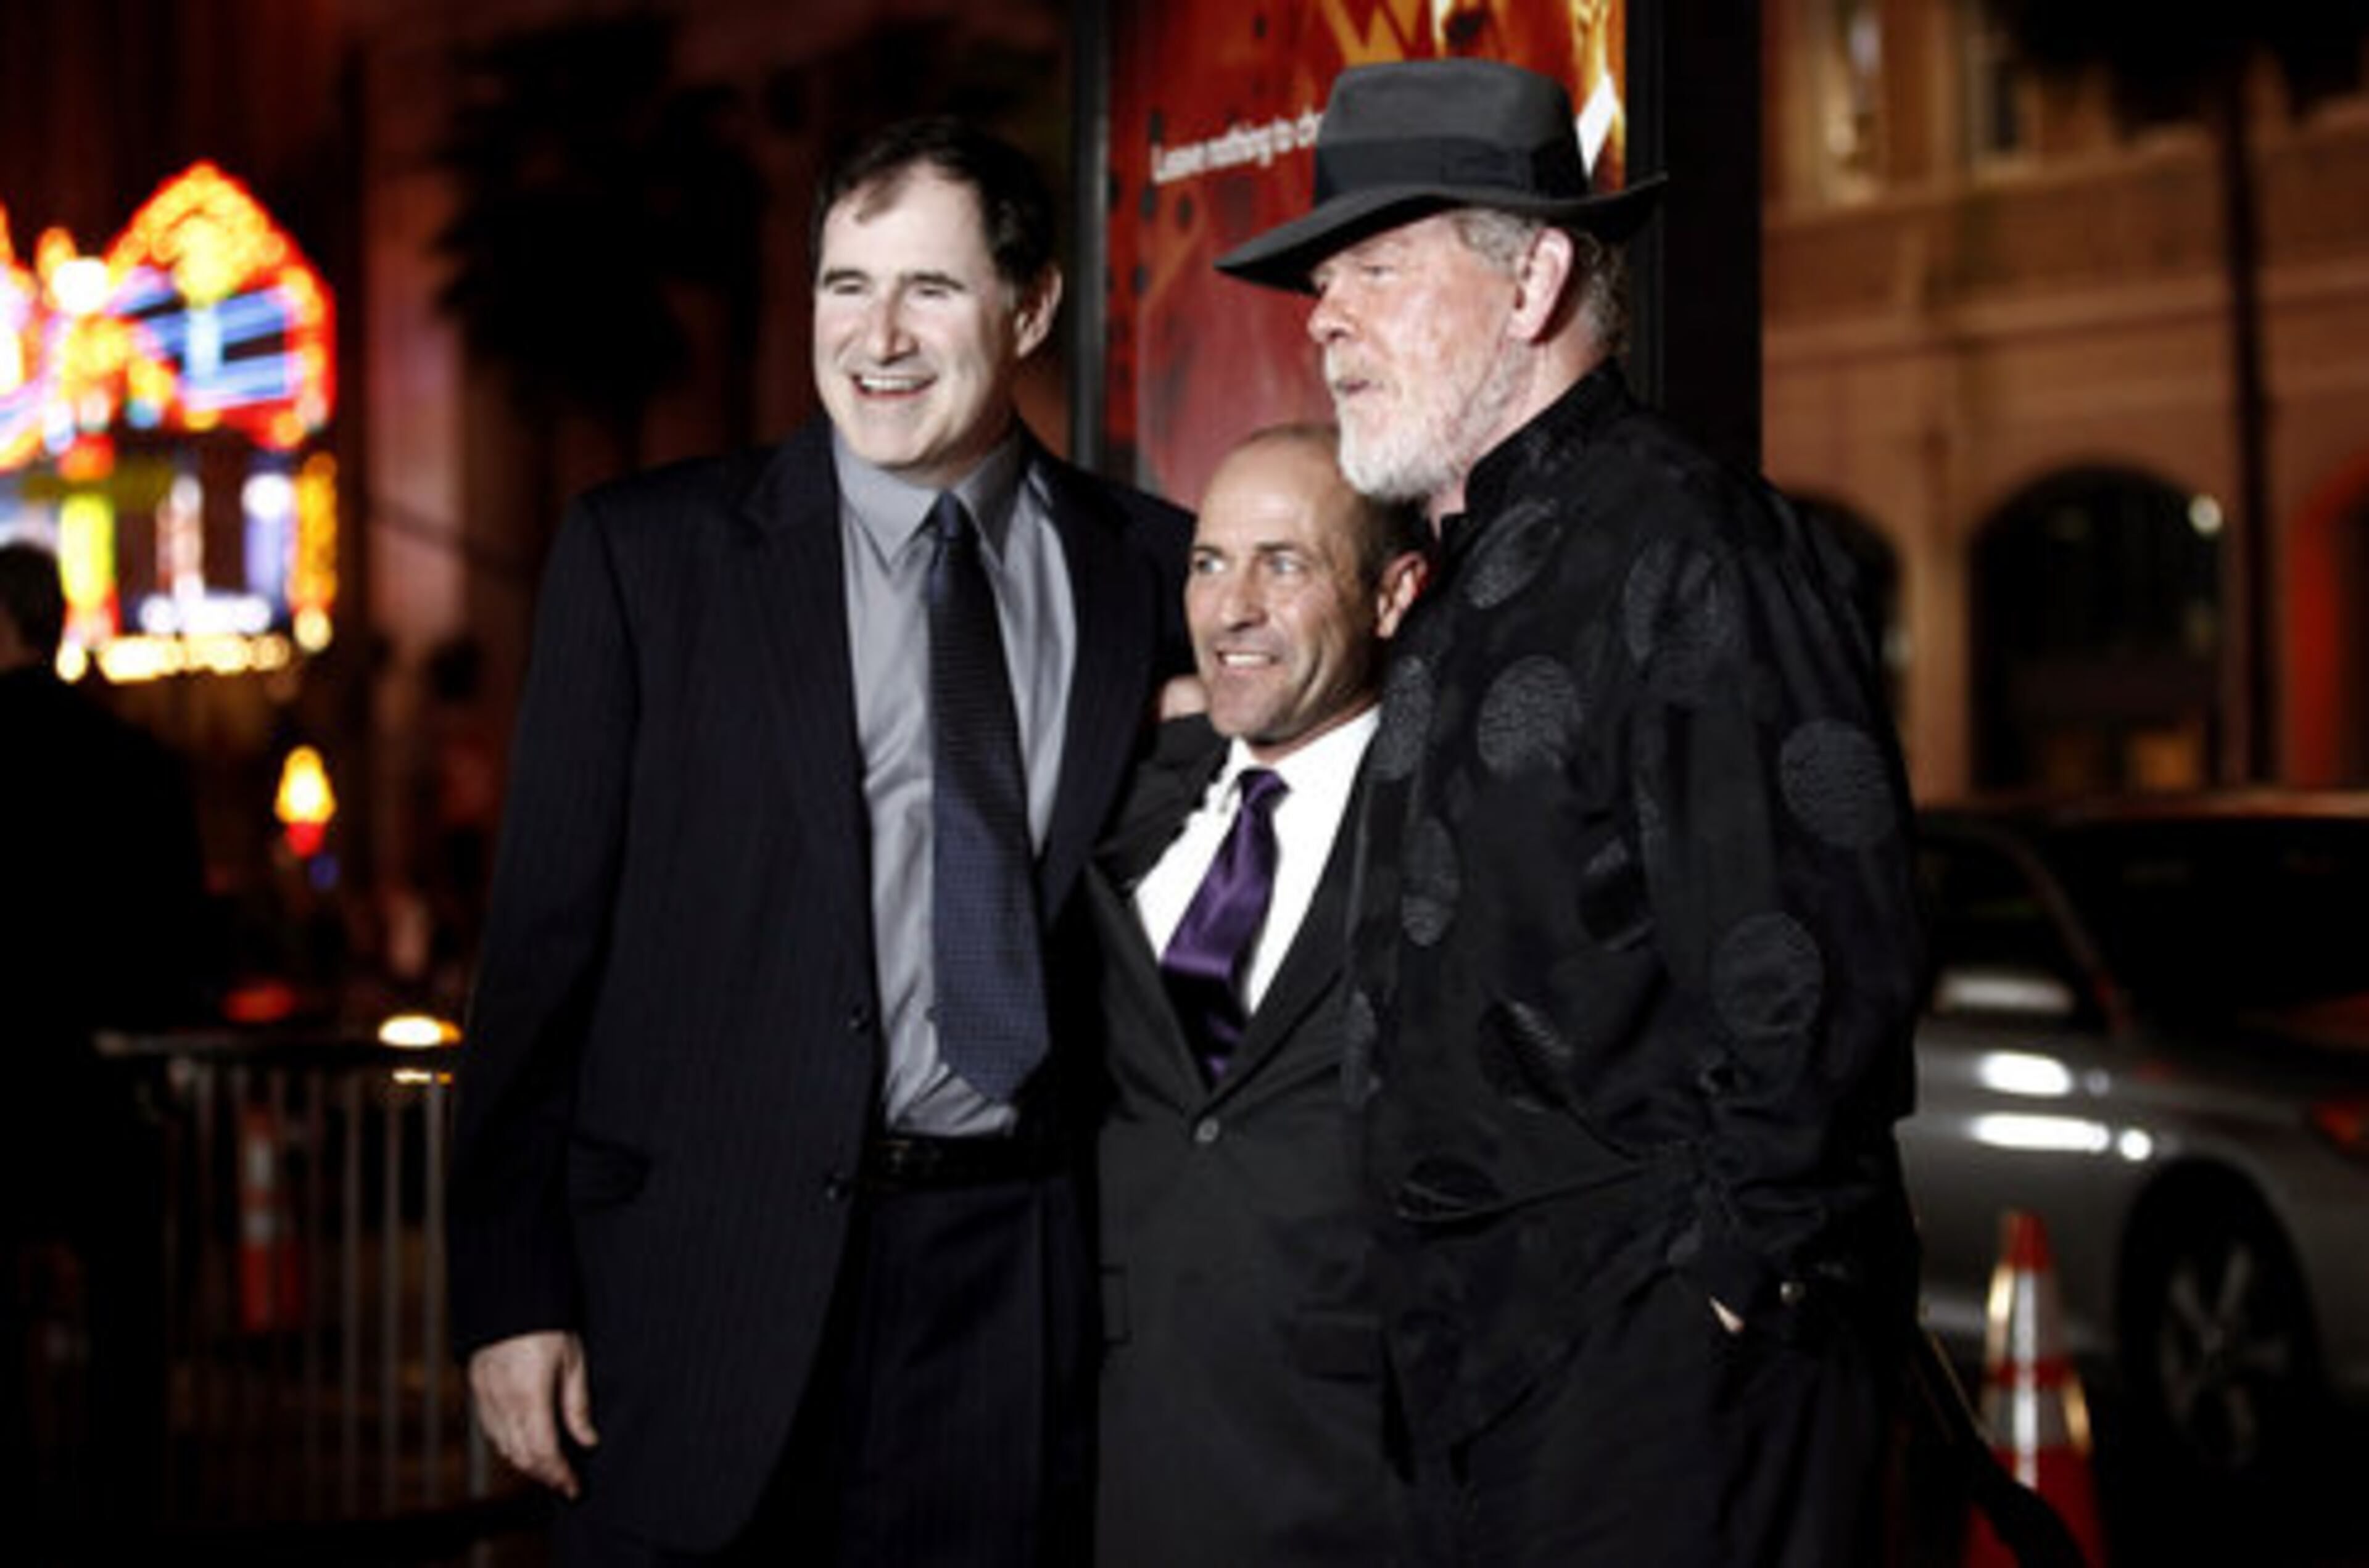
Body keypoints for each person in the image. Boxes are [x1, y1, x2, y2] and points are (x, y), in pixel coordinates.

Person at [447, 117, 1190, 1566]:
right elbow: (540, 945)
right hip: (700, 1286)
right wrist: (508, 1286)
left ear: (1031, 307)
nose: (880, 336)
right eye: (846, 286)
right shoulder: (649, 559)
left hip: (1011, 1286)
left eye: (930, 288)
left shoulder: (1153, 572)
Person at [1217, 59, 1925, 1565]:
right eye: (1320, 279)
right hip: (1486, 1388)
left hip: (1667, 1399)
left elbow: (1819, 978)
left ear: (1535, 275)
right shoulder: (1464, 567)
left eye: (1375, 269)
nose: (1324, 315)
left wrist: (1715, 1301)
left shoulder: (1690, 541)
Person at [1086, 426, 1428, 1567]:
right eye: (1209, 562)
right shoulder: (1124, 802)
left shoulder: (1450, 831)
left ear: (1393, 594)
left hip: (1357, 1477)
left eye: (1283, 564)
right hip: (1120, 1457)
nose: (1230, 606)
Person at [0, 538, 207, 1527]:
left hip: (6, 1078)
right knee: (129, 1325)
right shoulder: (134, 758)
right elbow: (181, 929)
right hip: (112, 1076)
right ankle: (132, 1512)